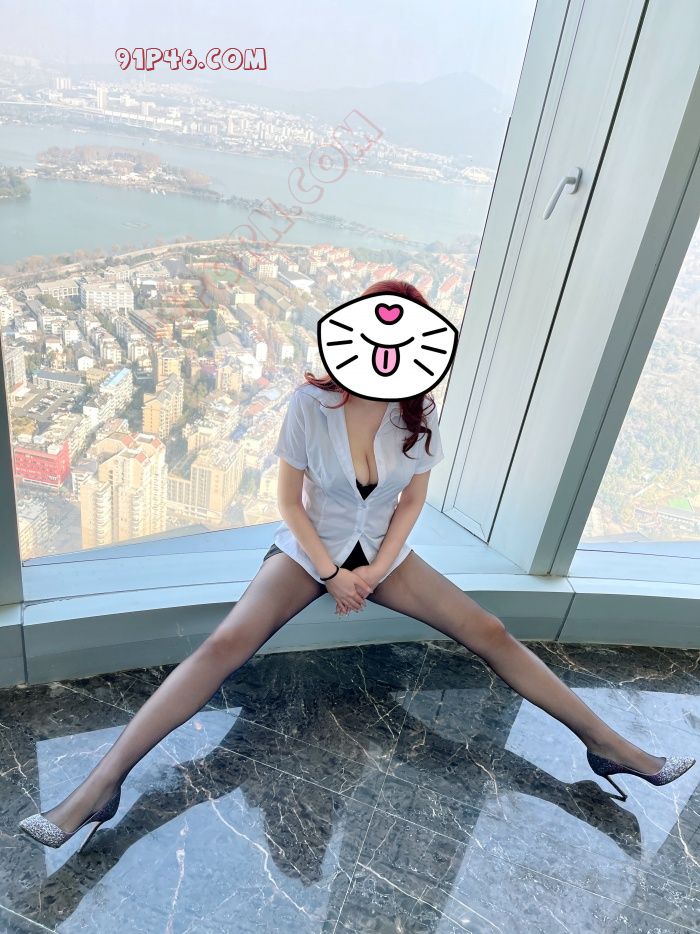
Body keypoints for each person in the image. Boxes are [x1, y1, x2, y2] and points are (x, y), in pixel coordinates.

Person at [19, 279, 695, 851]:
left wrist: (373, 571)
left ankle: (609, 745)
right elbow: (288, 502)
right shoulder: (310, 405)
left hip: (381, 555)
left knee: (488, 630)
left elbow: (411, 503)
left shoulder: (419, 414)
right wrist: (332, 574)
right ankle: (99, 787)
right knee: (223, 646)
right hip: (309, 550)